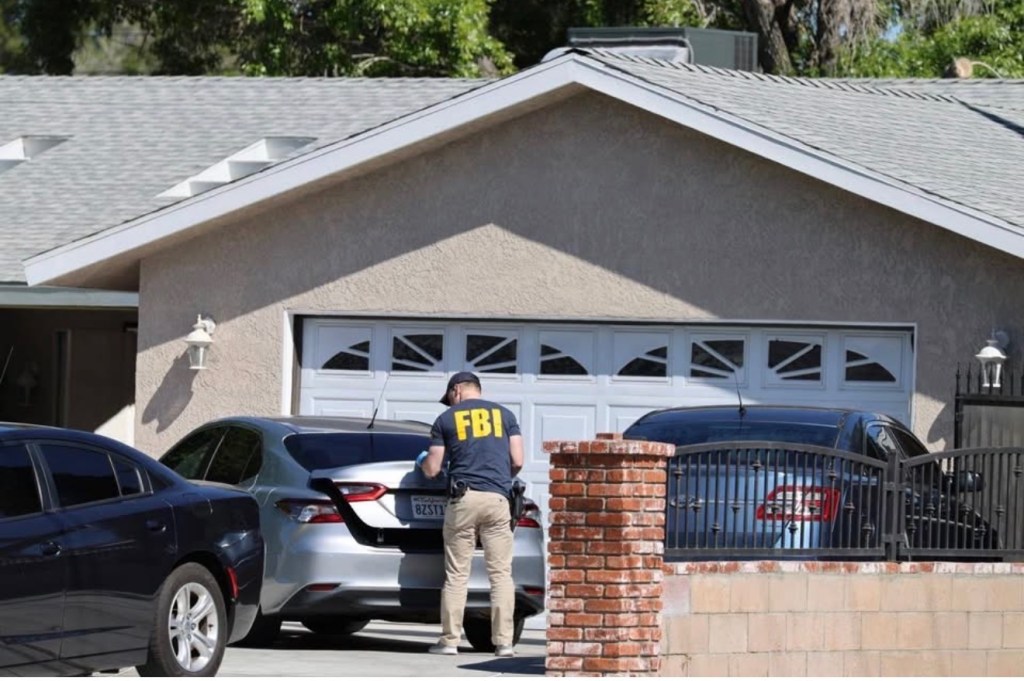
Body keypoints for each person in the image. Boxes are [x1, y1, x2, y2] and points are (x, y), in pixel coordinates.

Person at [417, 371, 524, 657]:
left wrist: (422, 463)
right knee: (501, 574)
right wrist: (499, 478)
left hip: (463, 500)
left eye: (449, 398)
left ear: (456, 391)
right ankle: (504, 643)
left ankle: (450, 641)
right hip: (498, 499)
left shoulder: (446, 420)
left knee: (456, 575)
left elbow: (432, 469)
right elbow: (518, 460)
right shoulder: (506, 416)